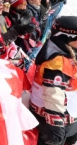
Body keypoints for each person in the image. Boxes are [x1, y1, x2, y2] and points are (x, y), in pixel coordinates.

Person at [30, 16, 77, 145]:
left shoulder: (61, 48)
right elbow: (53, 95)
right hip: (55, 120)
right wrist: (55, 126)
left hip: (69, 114)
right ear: (66, 37)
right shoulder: (58, 62)